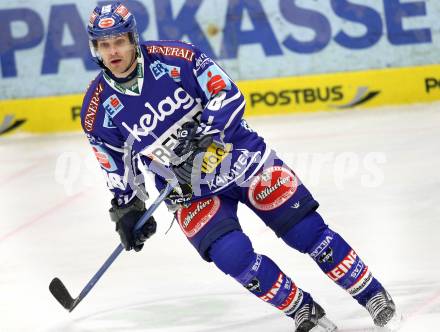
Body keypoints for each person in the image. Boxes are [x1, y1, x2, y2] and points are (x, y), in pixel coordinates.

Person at [81, 3, 397, 331]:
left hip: (238, 157)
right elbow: (117, 167)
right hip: (188, 189)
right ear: (96, 49)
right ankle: (302, 309)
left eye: (119, 41)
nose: (113, 51)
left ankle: (371, 293)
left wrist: (206, 133)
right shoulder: (97, 109)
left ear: (133, 39)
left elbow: (228, 94)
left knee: (305, 230)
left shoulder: (177, 57)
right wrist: (128, 208)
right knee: (231, 255)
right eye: (104, 44)